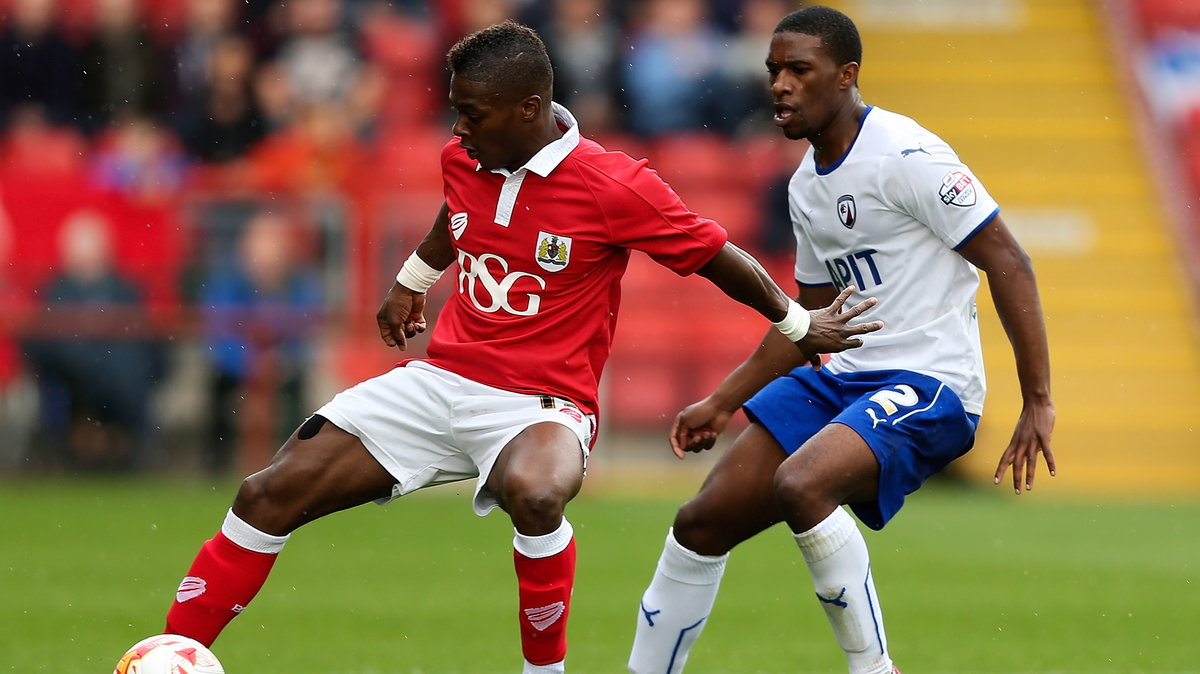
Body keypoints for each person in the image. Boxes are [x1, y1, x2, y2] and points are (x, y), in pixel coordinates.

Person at [161, 20, 882, 674]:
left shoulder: (612, 185)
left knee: (536, 495)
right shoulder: (465, 154)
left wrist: (797, 325)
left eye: (472, 113)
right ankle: (172, 656)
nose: (458, 128)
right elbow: (459, 213)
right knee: (266, 492)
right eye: (455, 111)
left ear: (528, 109)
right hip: (442, 379)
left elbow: (717, 254)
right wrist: (413, 278)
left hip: (543, 404)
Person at [626, 7, 1055, 674]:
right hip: (843, 379)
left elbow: (1008, 259)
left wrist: (1038, 399)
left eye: (800, 70)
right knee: (700, 523)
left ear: (846, 75)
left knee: (802, 484)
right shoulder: (805, 187)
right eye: (773, 71)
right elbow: (812, 327)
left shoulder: (906, 157)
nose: (780, 85)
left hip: (930, 382)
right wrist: (721, 401)